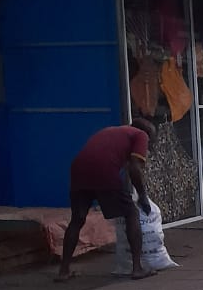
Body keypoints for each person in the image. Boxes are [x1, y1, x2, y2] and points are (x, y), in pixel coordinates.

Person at [57, 119, 157, 281]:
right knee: (131, 212)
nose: (149, 144)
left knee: (77, 219)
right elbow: (134, 168)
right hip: (103, 171)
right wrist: (143, 195)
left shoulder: (113, 131)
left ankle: (64, 271)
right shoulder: (141, 135)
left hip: (78, 170)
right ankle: (137, 268)